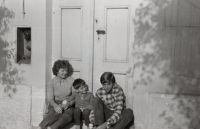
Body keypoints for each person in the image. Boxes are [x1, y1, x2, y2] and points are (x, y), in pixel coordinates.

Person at [37, 60, 75, 129]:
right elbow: (50, 99)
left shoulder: (72, 80)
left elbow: (75, 96)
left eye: (66, 70)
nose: (65, 73)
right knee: (56, 113)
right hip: (55, 103)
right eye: (62, 71)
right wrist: (56, 106)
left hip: (68, 104)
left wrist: (69, 104)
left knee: (67, 117)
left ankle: (51, 128)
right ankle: (39, 127)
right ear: (57, 70)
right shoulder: (51, 82)